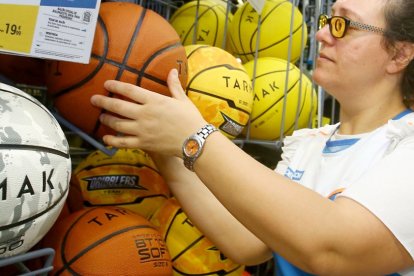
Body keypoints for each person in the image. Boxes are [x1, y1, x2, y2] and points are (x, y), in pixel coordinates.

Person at [90, 0, 414, 274]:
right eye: (329, 20)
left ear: (399, 55)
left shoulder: (407, 147)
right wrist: (164, 144)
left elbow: (332, 247)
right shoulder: (309, 144)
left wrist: (194, 136)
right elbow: (251, 242)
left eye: (344, 25)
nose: (321, 33)